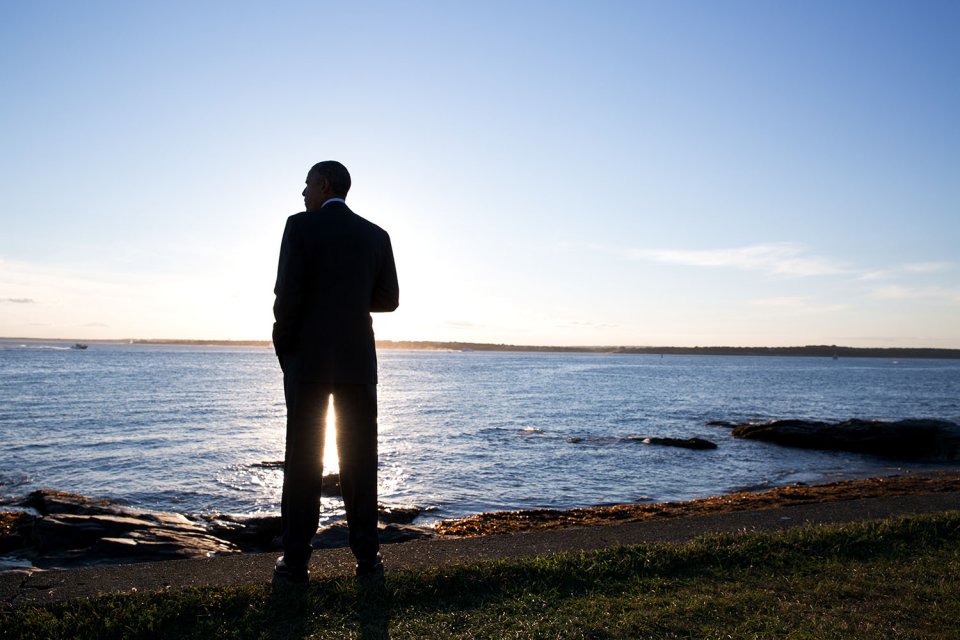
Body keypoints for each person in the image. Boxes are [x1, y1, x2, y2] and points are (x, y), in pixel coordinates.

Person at [272, 160, 399, 584]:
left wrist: (284, 348)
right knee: (360, 461)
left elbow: (286, 295)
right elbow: (389, 299)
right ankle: (368, 561)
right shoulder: (376, 235)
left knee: (304, 459)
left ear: (324, 185)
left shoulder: (300, 227)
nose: (303, 193)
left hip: (307, 361)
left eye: (306, 185)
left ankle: (294, 563)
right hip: (358, 363)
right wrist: (350, 297)